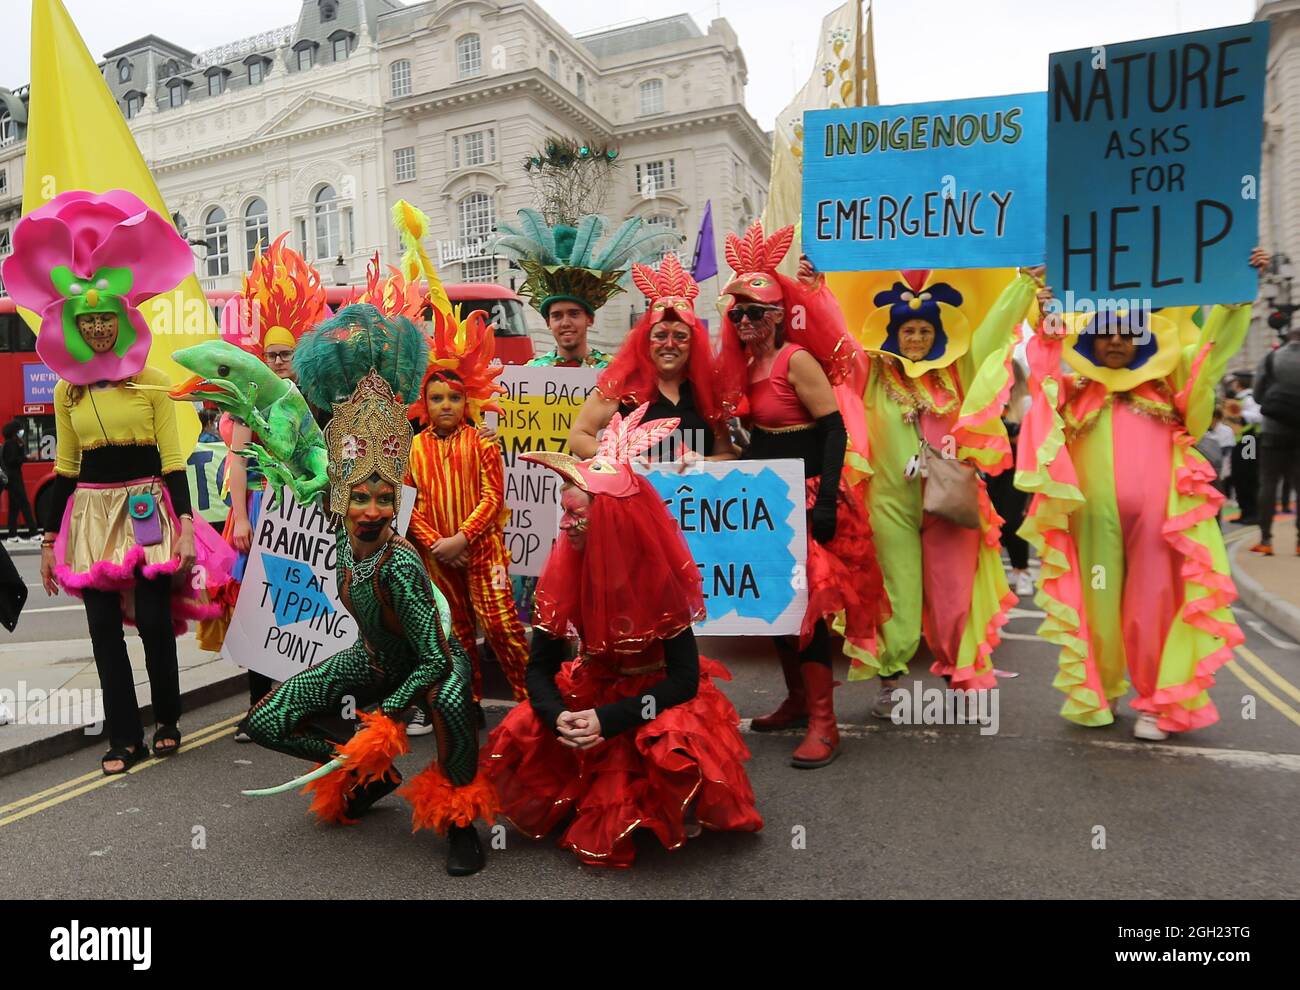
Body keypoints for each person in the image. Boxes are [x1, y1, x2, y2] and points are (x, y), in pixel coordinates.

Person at [241, 304, 496, 877]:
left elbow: (434, 657)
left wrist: (385, 719)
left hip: (433, 662)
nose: (374, 510)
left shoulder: (399, 564)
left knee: (453, 704)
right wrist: (361, 750)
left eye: (385, 499)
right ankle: (367, 776)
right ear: (342, 504)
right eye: (361, 498)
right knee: (266, 722)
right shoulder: (336, 533)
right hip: (376, 657)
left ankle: (460, 823)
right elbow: (298, 461)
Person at [1, 190, 233, 774]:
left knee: (154, 622)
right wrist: (51, 542)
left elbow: (172, 458)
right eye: (89, 320)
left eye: (108, 318)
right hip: (89, 515)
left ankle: (170, 720)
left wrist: (183, 528)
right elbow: (66, 470)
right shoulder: (66, 391)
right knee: (104, 631)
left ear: (123, 320)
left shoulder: (152, 380)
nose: (100, 328)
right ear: (75, 326)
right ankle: (123, 736)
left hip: (148, 507)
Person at [481, 404, 762, 866]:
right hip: (592, 685)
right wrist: (559, 719)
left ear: (612, 520)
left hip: (654, 694)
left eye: (576, 516)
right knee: (525, 727)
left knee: (673, 741)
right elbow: (540, 669)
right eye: (564, 514)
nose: (565, 525)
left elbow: (683, 680)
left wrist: (608, 720)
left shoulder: (655, 578)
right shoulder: (564, 567)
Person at [1018, 250, 1270, 740]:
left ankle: (1157, 701)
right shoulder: (1073, 388)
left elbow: (1211, 352)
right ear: (1090, 338)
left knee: (1154, 603)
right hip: (1093, 521)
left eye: (1127, 331)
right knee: (1097, 601)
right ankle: (1101, 689)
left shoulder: (1169, 385)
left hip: (1159, 522)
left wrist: (1237, 291)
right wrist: (1039, 294)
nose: (1116, 340)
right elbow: (1044, 356)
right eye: (1106, 331)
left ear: (1144, 336)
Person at [714, 222, 889, 768]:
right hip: (770, 502)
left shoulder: (796, 360)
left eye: (754, 312)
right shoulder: (746, 365)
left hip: (807, 497)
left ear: (776, 315)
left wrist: (829, 501)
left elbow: (833, 429)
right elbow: (759, 440)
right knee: (781, 608)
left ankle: (824, 723)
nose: (744, 320)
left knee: (807, 610)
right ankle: (795, 701)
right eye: (736, 312)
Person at [845, 265, 1038, 716]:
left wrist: (1024, 284)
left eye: (925, 329)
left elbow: (992, 333)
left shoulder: (958, 371)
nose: (916, 337)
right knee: (898, 591)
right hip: (889, 502)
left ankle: (957, 673)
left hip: (950, 501)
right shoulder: (873, 371)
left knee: (954, 594)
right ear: (894, 334)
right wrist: (813, 292)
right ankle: (892, 680)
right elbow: (838, 337)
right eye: (908, 329)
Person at [491, 209, 679, 619]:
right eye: (557, 316)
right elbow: (506, 438)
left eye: (573, 314)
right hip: (539, 499)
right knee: (547, 599)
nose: (565, 323)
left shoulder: (614, 374)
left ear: (589, 318)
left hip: (600, 501)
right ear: (548, 323)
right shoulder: (526, 378)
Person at [179, 234, 331, 733]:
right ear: (260, 356)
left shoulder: (303, 399)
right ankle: (259, 705)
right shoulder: (250, 399)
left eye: (288, 352)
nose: (281, 360)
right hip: (265, 508)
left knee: (300, 607)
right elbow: (239, 461)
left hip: (302, 510)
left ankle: (300, 704)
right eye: (272, 352)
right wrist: (242, 518)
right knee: (259, 609)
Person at [405, 303, 530, 710]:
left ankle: (533, 702)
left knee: (502, 626)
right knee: (454, 634)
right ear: (424, 403)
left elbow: (492, 498)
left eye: (454, 398)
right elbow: (407, 504)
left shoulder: (481, 443)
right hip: (437, 555)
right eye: (436, 398)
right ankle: (467, 703)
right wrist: (438, 544)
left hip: (482, 553)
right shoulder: (413, 449)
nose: (445, 405)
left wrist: (462, 539)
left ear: (466, 401)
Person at [571, 252, 735, 461]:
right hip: (635, 492)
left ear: (693, 343)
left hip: (695, 493)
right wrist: (617, 457)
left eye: (680, 336)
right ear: (646, 341)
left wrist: (703, 461)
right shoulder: (621, 386)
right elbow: (579, 436)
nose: (669, 344)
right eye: (660, 335)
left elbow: (727, 454)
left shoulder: (706, 390)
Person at [985, 360, 1034, 596]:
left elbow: (1030, 437)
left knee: (1014, 521)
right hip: (994, 469)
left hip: (1018, 469)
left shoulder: (1025, 402)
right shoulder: (993, 401)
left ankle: (1022, 570)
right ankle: (1006, 572)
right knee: (996, 521)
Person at [1251, 324, 1300, 556]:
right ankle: (1299, 543)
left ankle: (1266, 540)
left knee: (1268, 483)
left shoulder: (1271, 358)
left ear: (1288, 337)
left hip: (1274, 430)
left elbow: (1258, 395)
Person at [3, 421, 39, 542]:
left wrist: (22, 451)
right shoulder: (10, 444)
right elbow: (12, 461)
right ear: (14, 432)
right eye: (19, 430)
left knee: (14, 507)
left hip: (13, 478)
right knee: (25, 504)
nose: (21, 432)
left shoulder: (13, 443)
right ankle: (34, 533)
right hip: (14, 479)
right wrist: (26, 458)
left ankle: (12, 535)